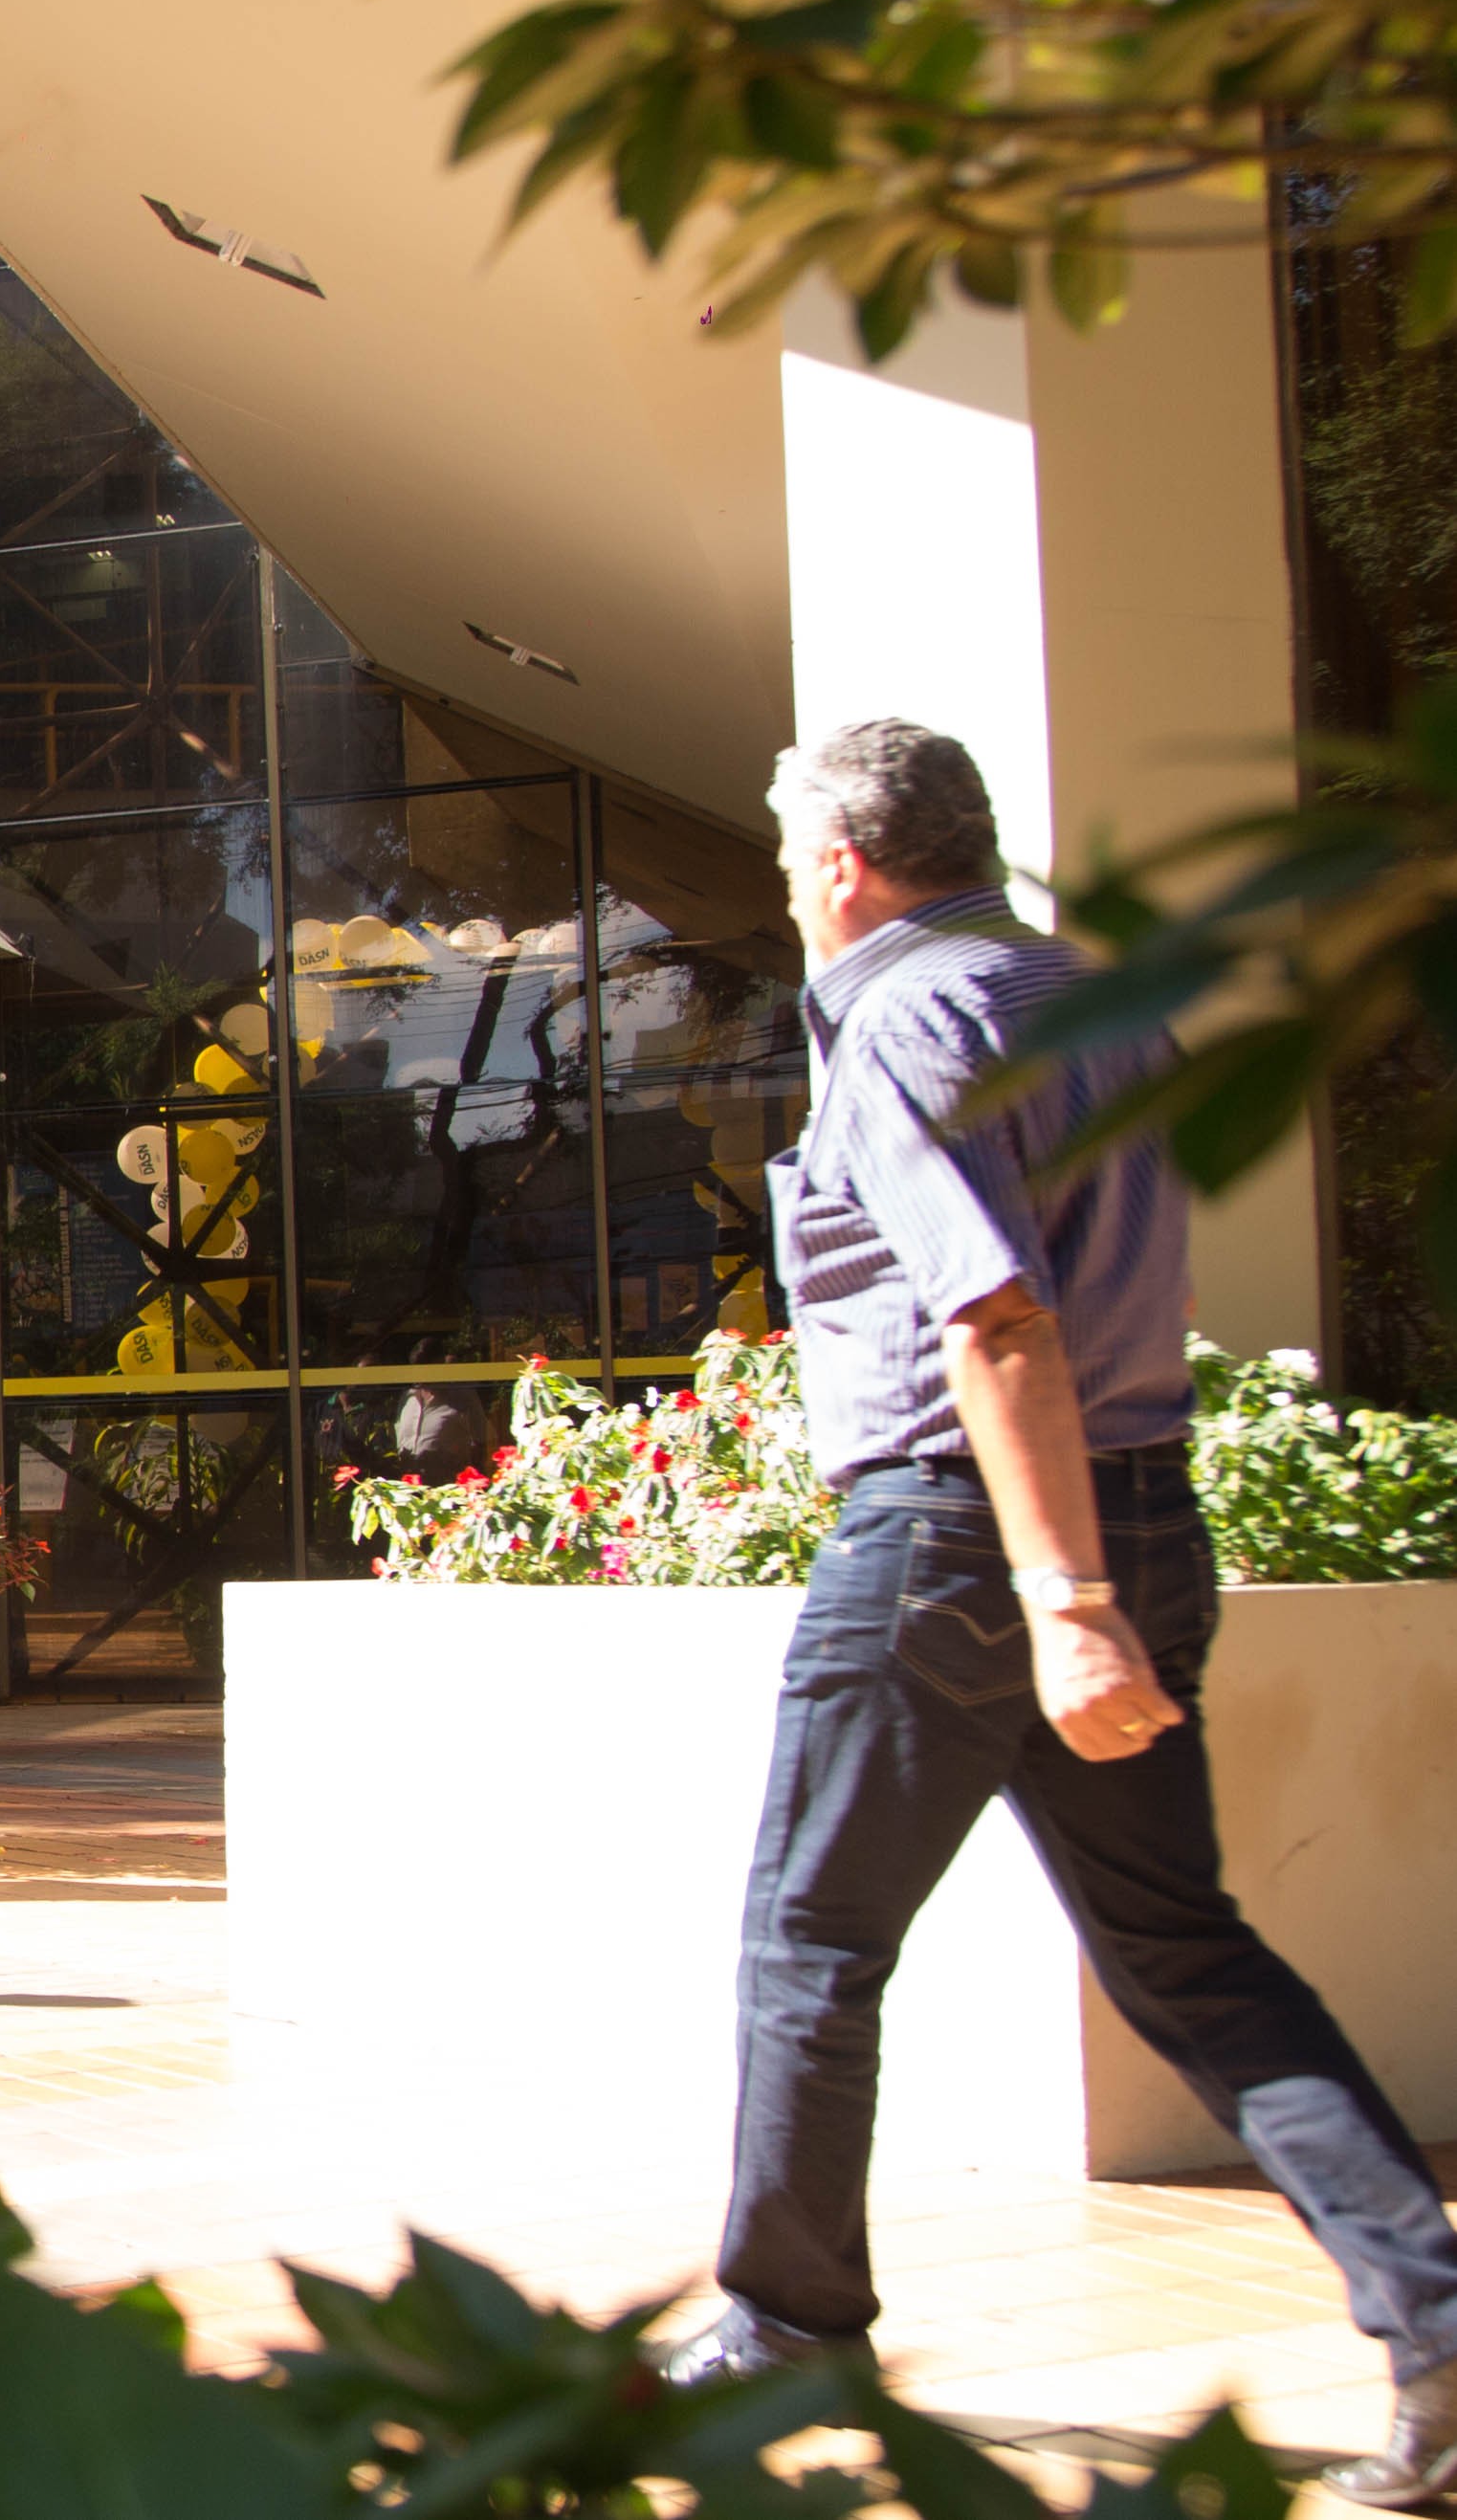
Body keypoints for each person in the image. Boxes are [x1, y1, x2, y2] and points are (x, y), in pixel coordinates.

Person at [670, 718, 1457, 2510]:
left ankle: (787, 2322)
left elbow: (994, 1316)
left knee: (808, 1939)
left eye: (793, 850)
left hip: (962, 1543)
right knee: (1182, 1945)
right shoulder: (1085, 997)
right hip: (1131, 1503)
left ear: (845, 864)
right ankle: (1433, 2314)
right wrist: (1093, 1578)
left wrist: (1061, 1599)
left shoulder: (892, 1020)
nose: (791, 880)